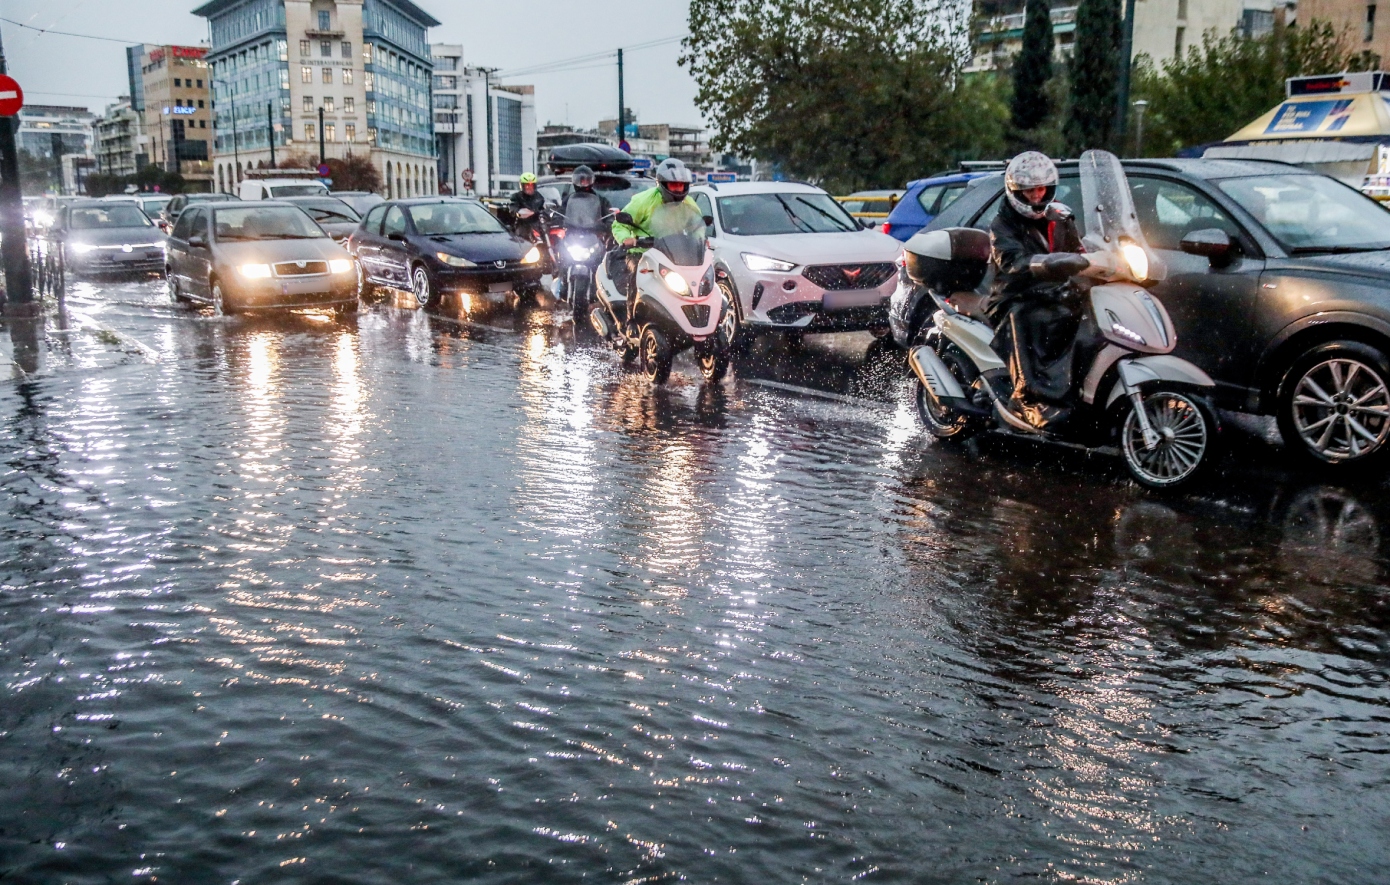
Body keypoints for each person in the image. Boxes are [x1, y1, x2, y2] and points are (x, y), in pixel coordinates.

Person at [985, 151, 1086, 427]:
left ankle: (1076, 390)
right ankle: (1025, 397)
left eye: (1041, 189)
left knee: (1086, 312)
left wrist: (1098, 259)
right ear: (1017, 191)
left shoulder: (1061, 217)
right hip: (1013, 295)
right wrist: (1047, 263)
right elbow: (1012, 262)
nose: (1037, 196)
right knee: (1024, 317)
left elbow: (1078, 249)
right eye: (1030, 190)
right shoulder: (1002, 223)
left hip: (1052, 292)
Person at [610, 158, 700, 337]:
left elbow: (696, 227)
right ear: (662, 184)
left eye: (682, 186)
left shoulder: (688, 204)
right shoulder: (644, 201)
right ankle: (631, 321)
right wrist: (627, 238)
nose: (678, 190)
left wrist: (700, 241)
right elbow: (619, 225)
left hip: (672, 253)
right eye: (674, 185)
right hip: (641, 251)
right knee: (637, 273)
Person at [510, 172, 546, 240]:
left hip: (537, 224)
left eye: (531, 185)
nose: (529, 187)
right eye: (527, 185)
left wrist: (546, 211)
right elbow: (513, 208)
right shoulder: (517, 196)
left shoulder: (539, 196)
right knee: (522, 236)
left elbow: (543, 207)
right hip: (523, 224)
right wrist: (518, 212)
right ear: (522, 186)